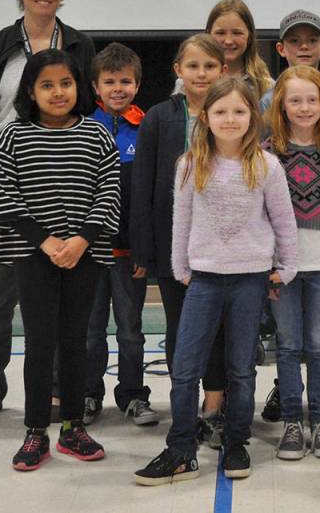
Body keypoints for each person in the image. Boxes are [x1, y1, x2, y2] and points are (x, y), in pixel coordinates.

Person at [134, 76, 298, 485]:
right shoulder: (190, 164)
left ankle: (238, 441)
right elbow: (181, 220)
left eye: (239, 111)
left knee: (241, 368)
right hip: (203, 280)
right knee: (186, 368)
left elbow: (283, 221)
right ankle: (180, 449)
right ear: (205, 117)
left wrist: (287, 266)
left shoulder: (266, 165)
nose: (230, 119)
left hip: (249, 281)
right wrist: (180, 268)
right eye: (221, 111)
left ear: (252, 117)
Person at [0, 0, 96, 424]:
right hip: (10, 179)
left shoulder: (78, 44)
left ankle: (57, 392)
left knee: (58, 297)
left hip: (65, 179)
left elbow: (89, 106)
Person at [0, 49, 120, 471]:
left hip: (84, 255)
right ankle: (35, 431)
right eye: (47, 84)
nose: (58, 92)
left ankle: (73, 426)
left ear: (78, 87)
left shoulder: (97, 136)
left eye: (65, 83)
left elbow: (110, 194)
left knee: (75, 341)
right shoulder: (12, 136)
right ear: (30, 90)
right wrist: (45, 241)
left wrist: (81, 240)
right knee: (40, 343)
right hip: (34, 256)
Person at [131, 34, 230, 447]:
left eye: (209, 66)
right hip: (175, 246)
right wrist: (143, 247)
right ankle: (184, 404)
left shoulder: (231, 111)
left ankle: (214, 408)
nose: (201, 73)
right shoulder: (158, 116)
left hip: (223, 247)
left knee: (219, 329)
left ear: (223, 70)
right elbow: (144, 185)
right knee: (180, 328)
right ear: (178, 71)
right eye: (193, 66)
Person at [262, 65, 320, 460]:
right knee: (287, 346)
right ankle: (291, 424)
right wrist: (267, 265)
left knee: (318, 346)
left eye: (311, 100)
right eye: (295, 100)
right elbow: (260, 215)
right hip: (282, 268)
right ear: (281, 105)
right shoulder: (268, 153)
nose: (304, 107)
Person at [79, 43, 158, 427]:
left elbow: (148, 198)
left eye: (125, 81)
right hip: (90, 252)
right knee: (91, 331)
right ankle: (89, 394)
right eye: (109, 81)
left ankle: (132, 396)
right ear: (95, 86)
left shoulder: (146, 129)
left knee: (131, 330)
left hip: (129, 254)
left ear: (137, 85)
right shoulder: (81, 127)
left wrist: (143, 250)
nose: (117, 88)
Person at [175, 0, 273, 101]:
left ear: (250, 36)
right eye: (220, 33)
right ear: (208, 34)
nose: (228, 41)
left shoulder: (265, 84)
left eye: (237, 33)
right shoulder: (187, 82)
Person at [259, 9, 320, 114]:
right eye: (294, 41)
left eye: (312, 40)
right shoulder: (269, 101)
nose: (304, 46)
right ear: (281, 49)